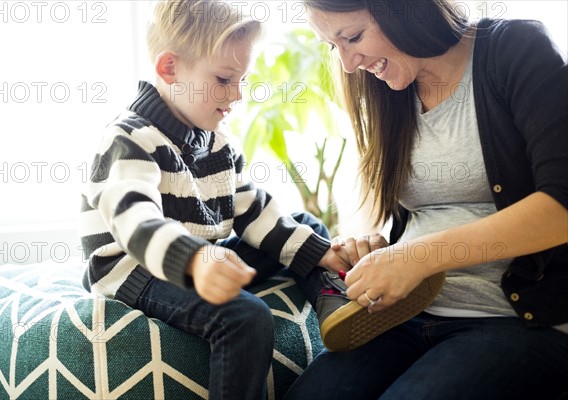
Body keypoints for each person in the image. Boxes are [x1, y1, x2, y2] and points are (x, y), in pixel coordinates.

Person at [284, 1, 568, 399]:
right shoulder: (386, 88)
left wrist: (416, 257)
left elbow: (561, 207)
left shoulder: (515, 48)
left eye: (352, 37)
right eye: (333, 46)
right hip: (401, 317)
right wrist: (376, 249)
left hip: (511, 319)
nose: (348, 64)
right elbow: (417, 215)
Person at [78, 1, 353, 399]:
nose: (238, 94)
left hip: (201, 254)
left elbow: (251, 208)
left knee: (308, 229)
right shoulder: (130, 138)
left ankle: (334, 307)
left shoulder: (218, 142)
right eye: (225, 79)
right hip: (134, 266)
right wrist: (194, 260)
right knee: (245, 317)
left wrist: (322, 253)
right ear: (169, 68)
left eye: (241, 80)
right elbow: (135, 224)